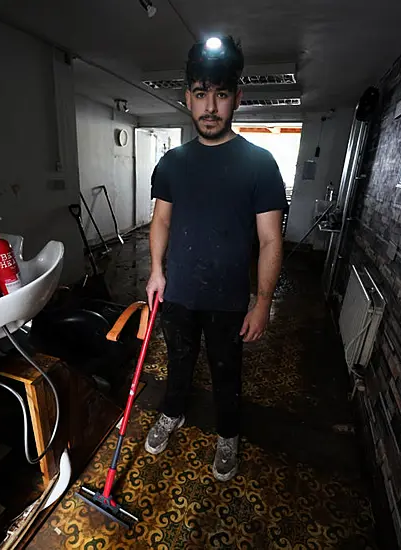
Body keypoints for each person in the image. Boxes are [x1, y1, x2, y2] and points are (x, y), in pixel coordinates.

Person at [143, 35, 287, 481]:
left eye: (221, 94)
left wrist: (262, 302)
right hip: (179, 292)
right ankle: (173, 413)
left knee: (227, 371)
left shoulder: (260, 164)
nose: (210, 106)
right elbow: (161, 222)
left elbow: (269, 240)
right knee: (178, 362)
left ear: (237, 99)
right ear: (187, 97)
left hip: (228, 298)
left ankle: (228, 434)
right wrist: (155, 272)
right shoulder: (171, 165)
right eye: (201, 94)